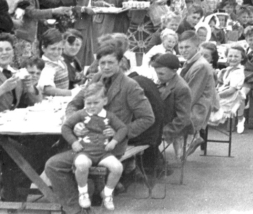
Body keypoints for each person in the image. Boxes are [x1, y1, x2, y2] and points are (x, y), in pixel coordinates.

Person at [45, 42, 154, 214]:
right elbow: (73, 104)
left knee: (55, 164)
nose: (106, 67)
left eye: (111, 62)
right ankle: (77, 208)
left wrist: (120, 133)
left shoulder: (130, 86)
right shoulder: (95, 79)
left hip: (111, 148)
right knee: (52, 163)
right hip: (86, 144)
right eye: (102, 63)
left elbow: (147, 118)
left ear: (120, 63)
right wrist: (76, 124)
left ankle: (76, 206)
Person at [61, 82, 127, 211]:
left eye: (95, 103)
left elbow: (122, 128)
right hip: (85, 151)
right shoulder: (81, 114)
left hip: (103, 153)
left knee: (118, 167)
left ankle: (107, 194)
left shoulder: (109, 116)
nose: (91, 106)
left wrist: (114, 141)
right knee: (81, 164)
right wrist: (74, 142)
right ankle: (83, 192)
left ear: (105, 101)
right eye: (88, 103)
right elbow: (65, 127)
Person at [15, 0, 72, 65]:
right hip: (25, 36)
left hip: (31, 35)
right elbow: (31, 12)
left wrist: (44, 21)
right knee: (27, 67)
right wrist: (54, 11)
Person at [178, 31, 219, 156]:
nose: (183, 50)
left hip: (198, 108)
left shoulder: (200, 65)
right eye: (180, 47)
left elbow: (191, 94)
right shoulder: (192, 61)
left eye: (187, 47)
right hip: (194, 103)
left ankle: (185, 146)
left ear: (197, 47)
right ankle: (181, 150)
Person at [152, 53, 193, 161]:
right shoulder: (166, 81)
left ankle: (153, 165)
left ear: (174, 71)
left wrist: (163, 133)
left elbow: (182, 118)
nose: (158, 77)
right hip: (163, 122)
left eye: (161, 74)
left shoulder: (181, 88)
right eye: (157, 73)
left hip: (171, 126)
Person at [72, 0, 99, 66]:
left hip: (87, 20)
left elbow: (89, 2)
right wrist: (85, 9)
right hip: (79, 20)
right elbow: (73, 4)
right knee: (79, 48)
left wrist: (101, 4)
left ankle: (84, 73)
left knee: (87, 48)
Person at [210, 45, 245, 126]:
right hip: (222, 95)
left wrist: (215, 95)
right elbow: (219, 83)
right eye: (230, 56)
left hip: (228, 99)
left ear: (242, 58)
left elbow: (231, 90)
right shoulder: (228, 69)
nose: (233, 59)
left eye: (236, 56)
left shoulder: (238, 72)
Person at [37, 28, 72, 97]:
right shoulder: (46, 66)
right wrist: (69, 93)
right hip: (51, 102)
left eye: (59, 49)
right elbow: (47, 89)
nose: (56, 52)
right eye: (53, 49)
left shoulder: (60, 60)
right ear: (43, 48)